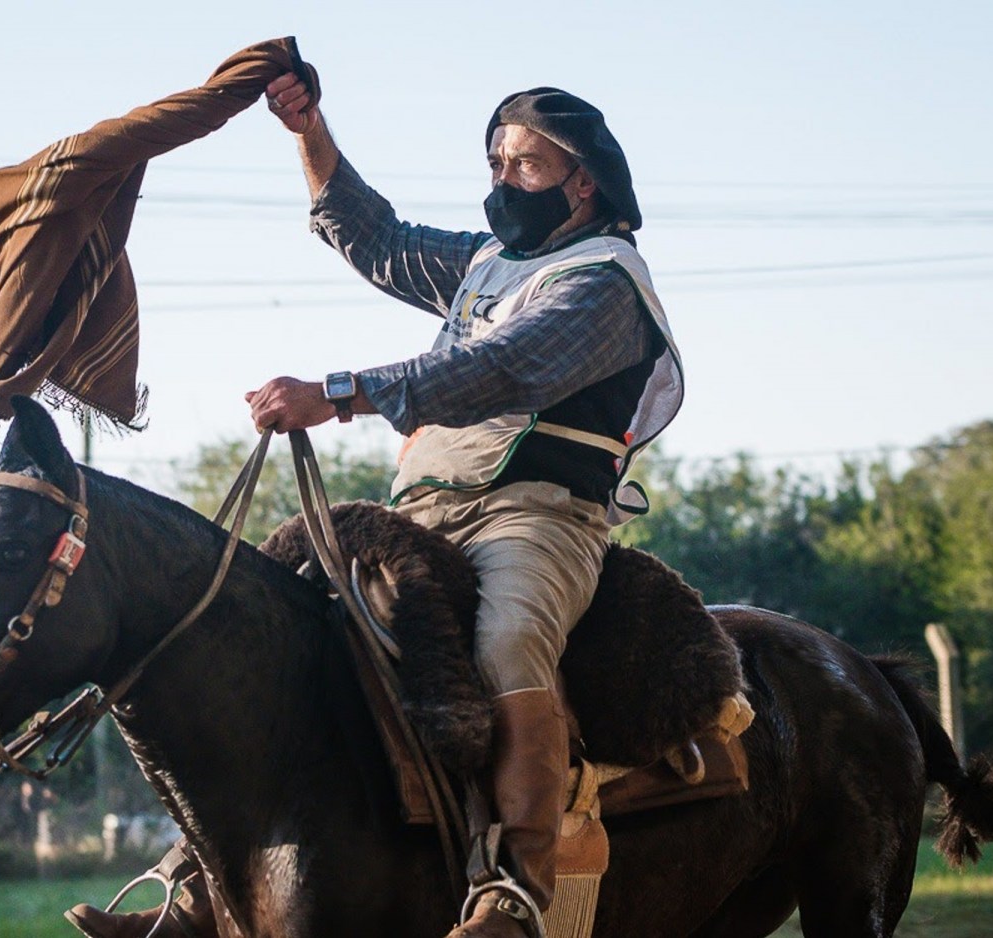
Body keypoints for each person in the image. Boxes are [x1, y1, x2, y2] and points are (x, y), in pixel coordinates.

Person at [68, 67, 683, 938]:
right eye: (497, 163)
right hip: (424, 513)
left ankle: (513, 890)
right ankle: (198, 881)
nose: (503, 181)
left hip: (538, 516)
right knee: (286, 632)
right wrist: (306, 128)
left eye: (527, 168)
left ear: (583, 182)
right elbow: (375, 236)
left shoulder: (608, 282)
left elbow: (503, 368)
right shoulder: (486, 264)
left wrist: (339, 392)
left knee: (508, 641)